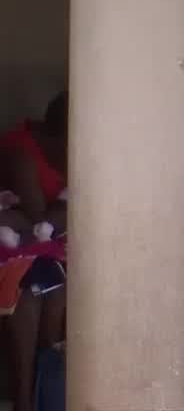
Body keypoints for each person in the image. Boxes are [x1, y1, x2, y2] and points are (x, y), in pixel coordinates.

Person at [0, 92, 69, 411]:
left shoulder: (70, 152)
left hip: (39, 247)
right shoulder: (21, 153)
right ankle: (25, 401)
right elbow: (39, 220)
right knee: (29, 288)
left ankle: (45, 395)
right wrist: (61, 211)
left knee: (53, 285)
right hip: (14, 245)